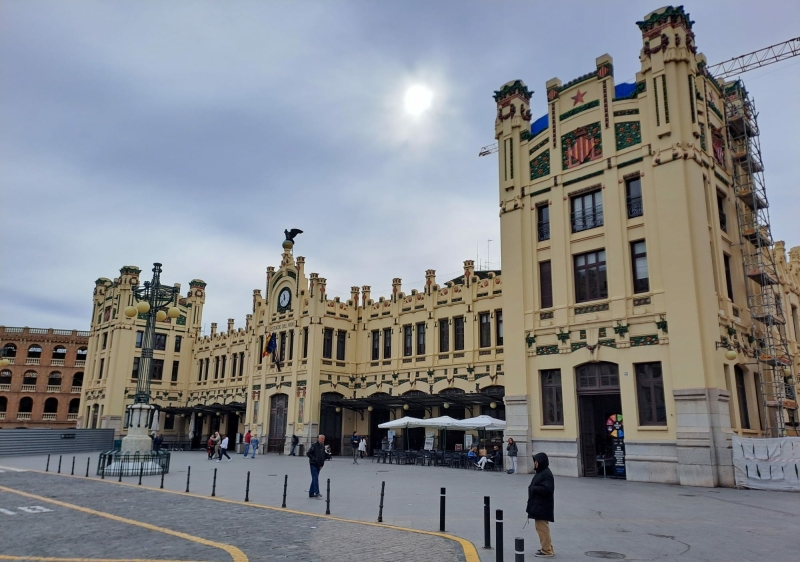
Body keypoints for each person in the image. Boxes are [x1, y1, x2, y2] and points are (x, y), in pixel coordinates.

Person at [527, 452, 555, 558]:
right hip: (539, 505)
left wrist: (534, 488)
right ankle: (548, 547)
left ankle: (547, 551)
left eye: (536, 461)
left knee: (542, 529)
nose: (535, 463)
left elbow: (548, 489)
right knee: (542, 528)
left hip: (542, 506)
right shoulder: (541, 472)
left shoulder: (546, 474)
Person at [306, 434, 330, 499]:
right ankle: (317, 493)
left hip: (319, 465)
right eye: (322, 438)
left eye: (324, 439)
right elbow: (308, 453)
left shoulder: (322, 446)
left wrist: (322, 463)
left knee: (314, 478)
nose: (323, 440)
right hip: (313, 464)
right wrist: (314, 459)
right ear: (318, 439)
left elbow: (323, 455)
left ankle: (311, 493)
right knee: (315, 478)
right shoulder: (314, 445)